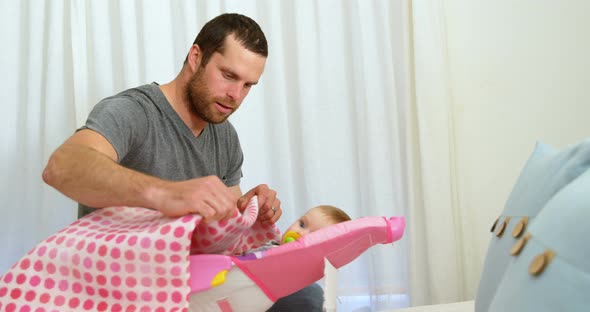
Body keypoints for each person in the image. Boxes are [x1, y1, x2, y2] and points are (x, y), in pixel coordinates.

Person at [42, 12, 321, 311]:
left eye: (247, 85)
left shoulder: (225, 136)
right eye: (228, 76)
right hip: (124, 287)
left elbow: (226, 231)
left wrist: (250, 212)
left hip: (193, 285)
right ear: (195, 56)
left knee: (305, 295)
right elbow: (61, 167)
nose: (235, 96)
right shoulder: (133, 111)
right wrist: (165, 194)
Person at [244, 205, 352, 254]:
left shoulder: (306, 273)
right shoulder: (269, 248)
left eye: (313, 236)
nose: (300, 233)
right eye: (302, 224)